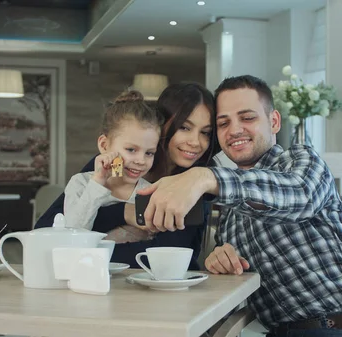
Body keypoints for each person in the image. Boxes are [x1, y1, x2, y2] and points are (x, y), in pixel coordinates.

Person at [137, 75, 342, 337]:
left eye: (247, 118)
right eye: (223, 123)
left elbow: (299, 195)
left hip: (339, 326)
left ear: (274, 121)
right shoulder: (230, 209)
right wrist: (220, 260)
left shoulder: (302, 162)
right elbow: (239, 283)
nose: (234, 130)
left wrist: (204, 176)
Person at [34, 82, 218, 270]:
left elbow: (169, 255)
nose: (196, 142)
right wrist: (123, 212)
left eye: (205, 132)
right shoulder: (112, 163)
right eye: (185, 128)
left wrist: (81, 252)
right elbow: (48, 230)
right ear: (162, 125)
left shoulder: (193, 183)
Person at [63, 90, 161, 243]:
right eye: (131, 150)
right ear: (104, 144)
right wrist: (97, 182)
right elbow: (72, 235)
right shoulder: (80, 184)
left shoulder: (151, 192)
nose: (141, 160)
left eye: (149, 153)